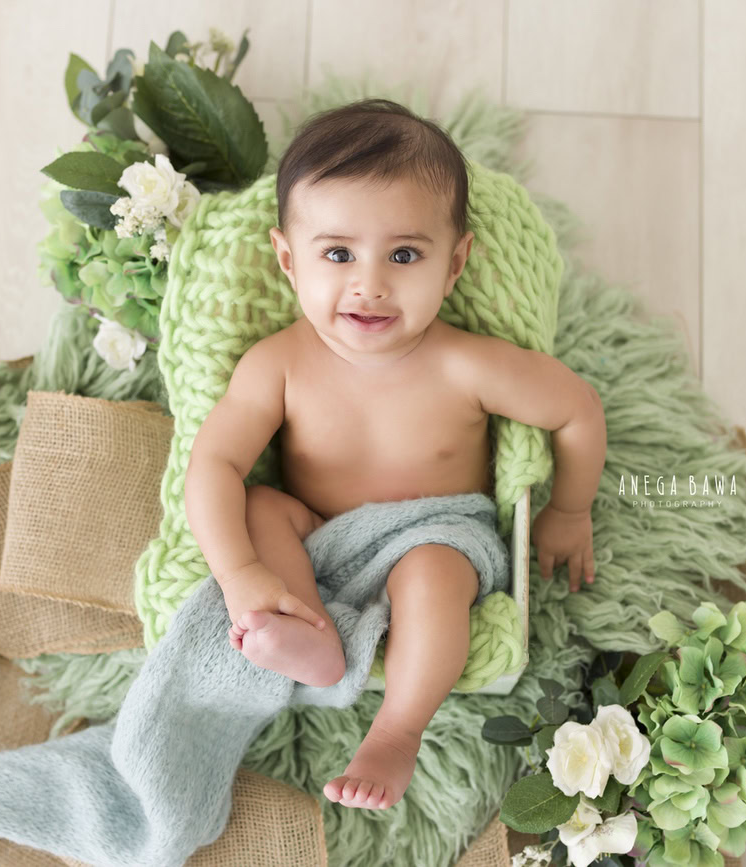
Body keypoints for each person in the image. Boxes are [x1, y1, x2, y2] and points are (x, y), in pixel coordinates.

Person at [184, 98, 608, 811]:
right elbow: (213, 464)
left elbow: (576, 409)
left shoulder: (464, 364)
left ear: (455, 263)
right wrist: (242, 572)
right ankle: (310, 632)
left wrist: (569, 508)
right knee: (257, 504)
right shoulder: (276, 365)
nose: (370, 283)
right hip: (322, 538)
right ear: (289, 260)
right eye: (338, 253)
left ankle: (397, 729)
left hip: (440, 532)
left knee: (434, 574)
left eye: (405, 254)